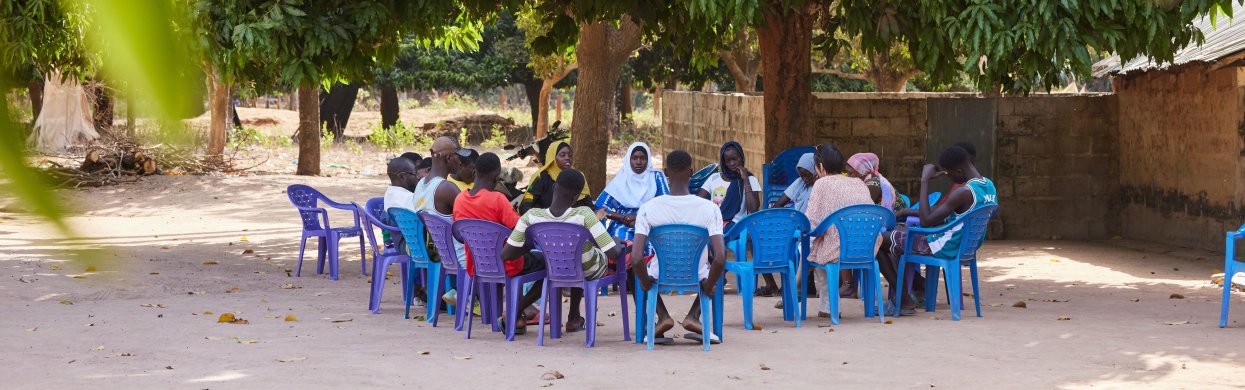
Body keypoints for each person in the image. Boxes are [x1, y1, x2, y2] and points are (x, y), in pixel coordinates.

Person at [877, 145, 998, 315]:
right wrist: (905, 212)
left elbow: (926, 221)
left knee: (878, 240)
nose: (948, 177)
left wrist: (925, 180)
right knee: (897, 236)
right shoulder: (989, 186)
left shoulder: (963, 192)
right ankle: (915, 289)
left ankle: (904, 299)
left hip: (943, 246)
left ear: (959, 170)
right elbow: (940, 211)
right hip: (964, 247)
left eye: (949, 173)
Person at [503, 169, 624, 332]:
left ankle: (519, 310)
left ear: (554, 188)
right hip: (589, 269)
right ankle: (574, 318)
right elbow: (613, 253)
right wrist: (614, 241)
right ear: (576, 197)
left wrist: (530, 243)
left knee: (564, 258)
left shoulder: (531, 216)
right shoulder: (584, 214)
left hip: (555, 268)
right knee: (581, 256)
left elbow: (506, 254)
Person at [632, 150, 727, 345]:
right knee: (717, 273)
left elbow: (636, 259)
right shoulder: (709, 208)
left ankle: (662, 315)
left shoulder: (648, 208)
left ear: (666, 172)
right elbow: (720, 258)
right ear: (691, 172)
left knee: (642, 273)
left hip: (660, 275)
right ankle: (694, 315)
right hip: (697, 275)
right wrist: (708, 286)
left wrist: (646, 282)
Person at [454, 152, 547, 334]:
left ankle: (516, 318)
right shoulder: (497, 199)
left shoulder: (459, 199)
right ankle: (516, 310)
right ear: (497, 177)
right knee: (550, 264)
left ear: (474, 173)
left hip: (478, 265)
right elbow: (522, 229)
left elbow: (459, 235)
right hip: (507, 265)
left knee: (520, 253)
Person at [804, 144, 876, 317]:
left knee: (812, 247)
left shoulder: (821, 184)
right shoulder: (859, 183)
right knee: (819, 245)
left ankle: (827, 306)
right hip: (865, 249)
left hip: (836, 250)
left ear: (820, 166)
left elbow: (811, 222)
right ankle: (826, 306)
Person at [697, 141, 768, 295]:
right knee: (699, 238)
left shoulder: (750, 179)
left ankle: (717, 275)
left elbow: (753, 208)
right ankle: (717, 273)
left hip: (736, 224)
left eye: (735, 159)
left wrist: (745, 180)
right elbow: (699, 200)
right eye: (728, 160)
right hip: (714, 221)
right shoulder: (714, 178)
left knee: (714, 239)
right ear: (723, 161)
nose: (732, 163)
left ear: (741, 158)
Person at [413, 137, 467, 305]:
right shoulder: (446, 188)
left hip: (442, 254)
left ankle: (466, 294)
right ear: (449, 158)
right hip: (462, 256)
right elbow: (472, 219)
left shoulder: (421, 184)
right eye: (458, 156)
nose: (460, 162)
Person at [596, 142, 670, 245]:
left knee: (652, 244)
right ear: (628, 160)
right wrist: (621, 217)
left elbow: (666, 203)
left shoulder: (656, 176)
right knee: (620, 239)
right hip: (623, 223)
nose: (638, 162)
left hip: (651, 222)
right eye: (634, 158)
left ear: (648, 160)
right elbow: (599, 206)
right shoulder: (621, 179)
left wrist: (638, 218)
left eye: (643, 158)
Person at [522, 140, 595, 213]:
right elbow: (525, 205)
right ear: (553, 157)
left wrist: (597, 212)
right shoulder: (541, 177)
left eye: (570, 155)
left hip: (574, 222)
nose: (567, 158)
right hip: (547, 222)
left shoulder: (577, 176)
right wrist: (541, 218)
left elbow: (588, 204)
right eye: (562, 155)